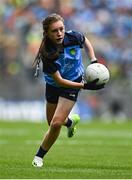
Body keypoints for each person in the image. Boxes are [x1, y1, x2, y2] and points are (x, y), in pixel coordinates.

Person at [32, 13, 104, 167]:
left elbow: (85, 41)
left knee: (56, 124)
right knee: (51, 122)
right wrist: (86, 86)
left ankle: (39, 157)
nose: (59, 33)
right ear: (47, 33)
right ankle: (71, 122)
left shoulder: (74, 37)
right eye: (54, 31)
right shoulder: (47, 52)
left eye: (61, 29)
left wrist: (93, 60)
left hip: (73, 82)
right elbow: (58, 80)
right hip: (54, 85)